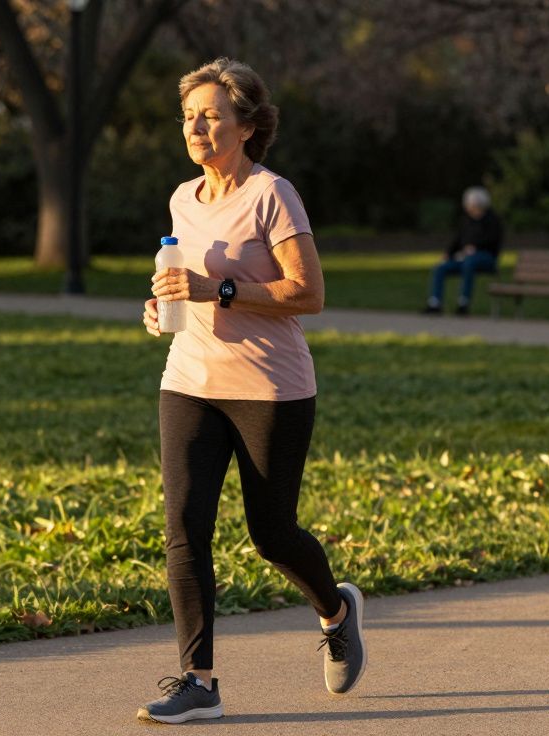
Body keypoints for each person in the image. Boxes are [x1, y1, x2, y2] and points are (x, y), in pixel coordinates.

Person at [137, 57, 367, 725]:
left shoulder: (273, 194)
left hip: (271, 388)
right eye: (188, 117)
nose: (196, 127)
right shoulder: (183, 197)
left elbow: (310, 294)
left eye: (210, 115)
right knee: (184, 529)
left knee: (271, 535)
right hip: (188, 380)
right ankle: (199, 681)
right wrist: (160, 308)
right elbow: (182, 280)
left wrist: (223, 290)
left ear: (246, 125)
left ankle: (336, 609)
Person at [422, 186, 503, 316]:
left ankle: (463, 303)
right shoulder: (466, 220)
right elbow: (457, 240)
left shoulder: (493, 220)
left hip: (486, 258)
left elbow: (493, 241)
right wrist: (448, 254)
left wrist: (475, 247)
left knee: (469, 262)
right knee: (440, 268)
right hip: (466, 258)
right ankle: (435, 303)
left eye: (471, 204)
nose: (469, 207)